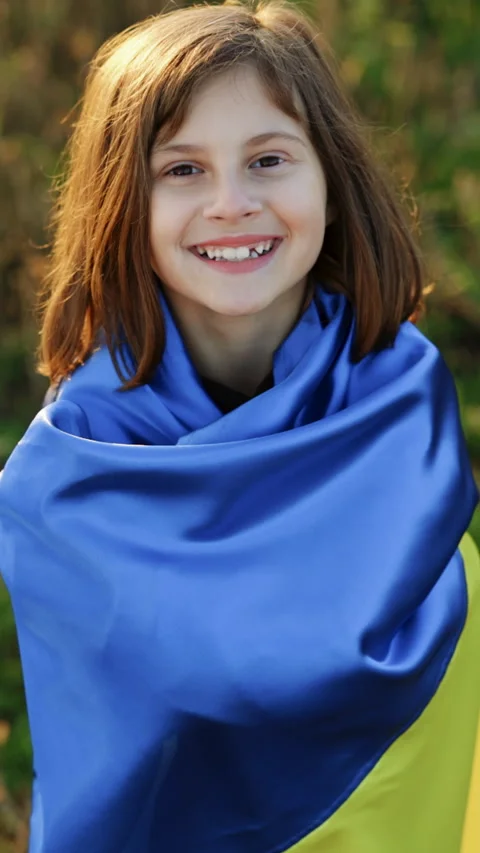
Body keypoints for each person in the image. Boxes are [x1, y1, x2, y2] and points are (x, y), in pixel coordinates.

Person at [0, 1, 479, 851]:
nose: (232, 202)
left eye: (268, 159)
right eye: (181, 170)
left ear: (329, 182)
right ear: (123, 203)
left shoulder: (408, 424)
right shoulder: (71, 483)